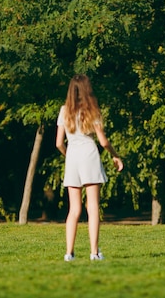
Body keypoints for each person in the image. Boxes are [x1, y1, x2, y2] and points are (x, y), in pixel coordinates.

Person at [56, 74, 124, 261]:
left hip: (73, 157)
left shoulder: (64, 111)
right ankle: (94, 252)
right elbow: (103, 141)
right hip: (89, 155)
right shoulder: (93, 110)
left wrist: (68, 155)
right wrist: (115, 156)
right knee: (92, 207)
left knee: (74, 209)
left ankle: (69, 253)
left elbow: (58, 143)